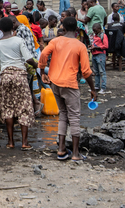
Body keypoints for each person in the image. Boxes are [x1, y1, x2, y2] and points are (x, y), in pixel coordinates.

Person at [38, 17, 96, 162]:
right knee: (74, 117)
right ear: (77, 29)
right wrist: (93, 88)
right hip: (70, 84)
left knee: (63, 114)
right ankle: (75, 153)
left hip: (55, 82)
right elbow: (86, 71)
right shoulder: (80, 46)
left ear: (62, 27)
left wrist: (42, 71)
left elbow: (43, 54)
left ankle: (61, 149)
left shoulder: (55, 41)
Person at [0, 17, 39, 150]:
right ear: (13, 27)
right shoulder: (18, 40)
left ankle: (10, 142)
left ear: (0, 29)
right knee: (24, 107)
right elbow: (28, 59)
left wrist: (6, 71)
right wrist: (38, 66)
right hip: (20, 76)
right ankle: (24, 143)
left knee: (8, 108)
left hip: (5, 76)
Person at [89, 24, 108, 93]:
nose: (95, 32)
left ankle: (103, 87)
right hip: (94, 54)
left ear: (99, 29)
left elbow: (106, 46)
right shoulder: (95, 36)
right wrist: (91, 46)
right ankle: (97, 86)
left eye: (96, 31)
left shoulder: (103, 35)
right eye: (94, 31)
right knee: (96, 72)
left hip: (100, 54)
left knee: (102, 71)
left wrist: (96, 47)